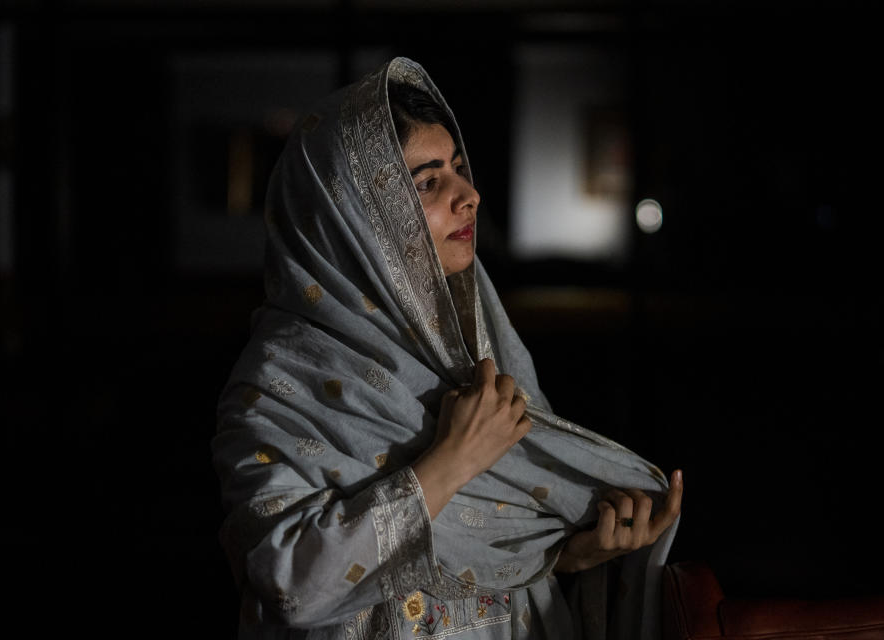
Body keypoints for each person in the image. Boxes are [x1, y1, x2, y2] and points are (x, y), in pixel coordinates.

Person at [213, 57, 682, 640]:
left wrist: (568, 555)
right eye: (429, 181)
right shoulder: (280, 383)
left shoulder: (481, 350)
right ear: (353, 219)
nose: (471, 196)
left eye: (459, 168)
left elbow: (477, 558)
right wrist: (449, 462)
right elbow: (287, 585)